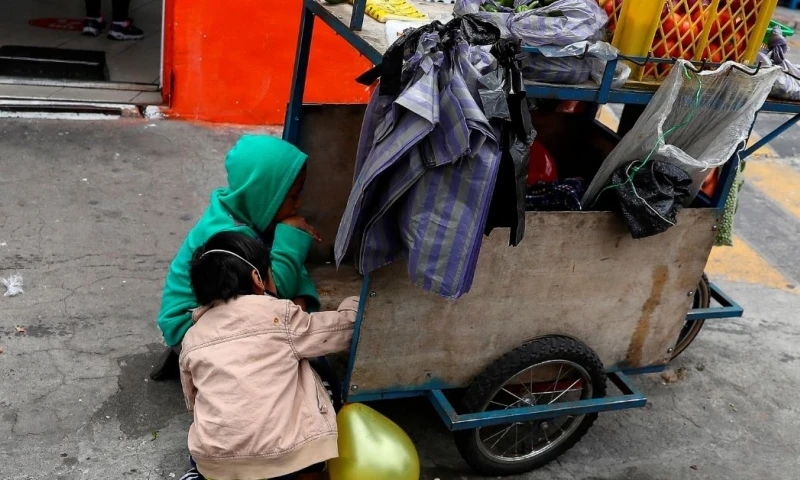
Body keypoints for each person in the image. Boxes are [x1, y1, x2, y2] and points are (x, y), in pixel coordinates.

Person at [179, 232, 358, 480]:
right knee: (314, 364)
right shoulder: (279, 314)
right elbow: (339, 332)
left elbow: (193, 401)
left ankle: (197, 475)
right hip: (287, 459)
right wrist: (356, 304)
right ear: (257, 279)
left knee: (203, 445)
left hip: (218, 464)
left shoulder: (192, 337)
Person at [152, 135, 324, 382]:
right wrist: (291, 235)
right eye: (293, 196)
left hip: (214, 316)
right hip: (190, 330)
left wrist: (298, 299)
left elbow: (280, 281)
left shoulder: (245, 210)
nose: (299, 204)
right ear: (264, 195)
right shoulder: (228, 236)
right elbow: (275, 292)